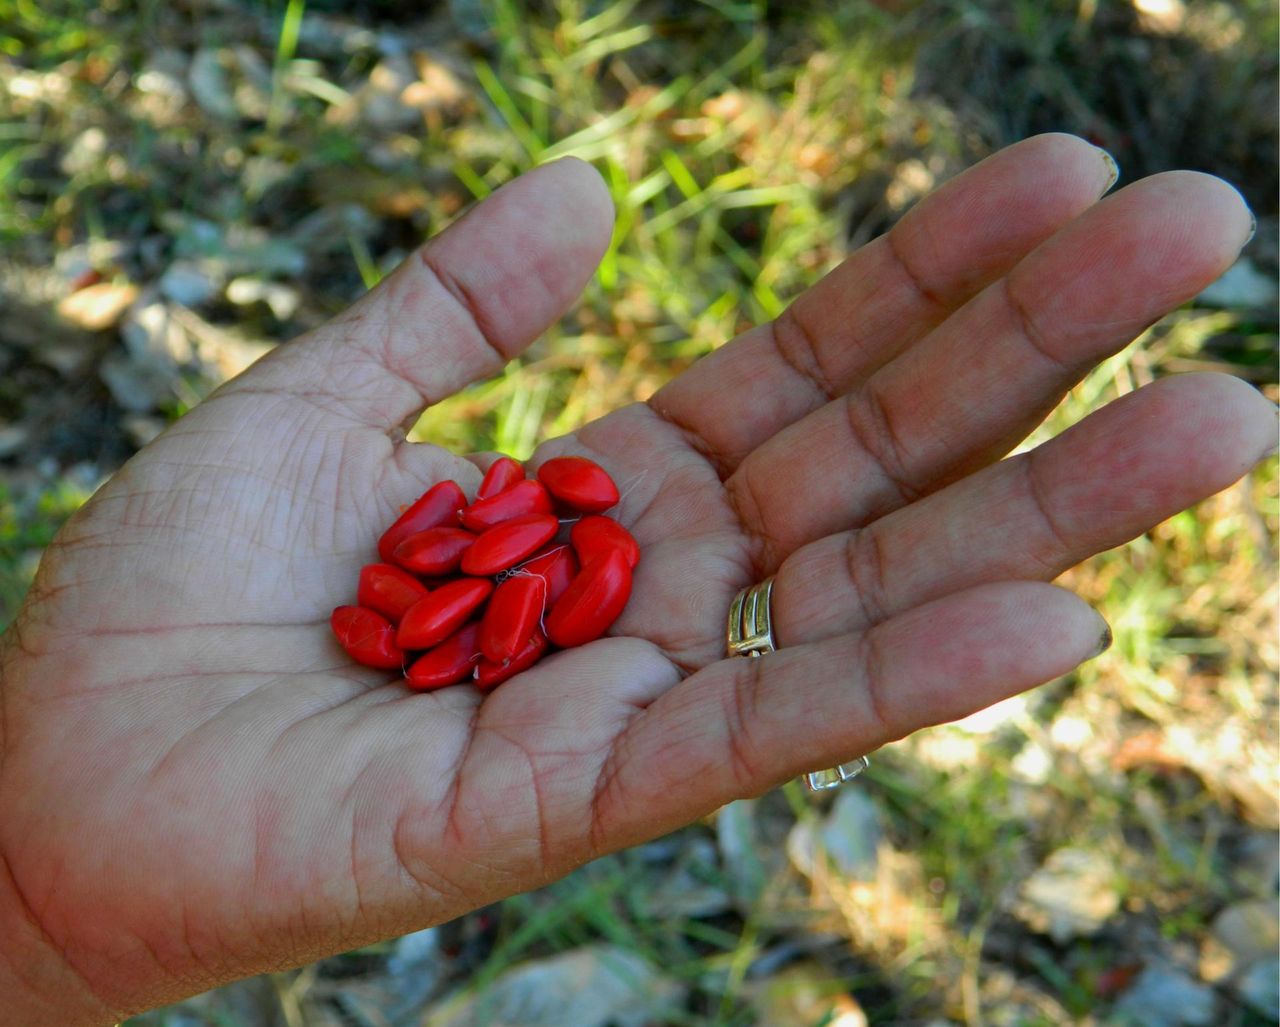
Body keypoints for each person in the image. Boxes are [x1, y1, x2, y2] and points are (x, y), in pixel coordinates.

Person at [0, 134, 1273, 1025]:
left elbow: (502, 578)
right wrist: (35, 918)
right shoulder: (455, 580)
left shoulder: (528, 559)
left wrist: (41, 929)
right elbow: (465, 588)